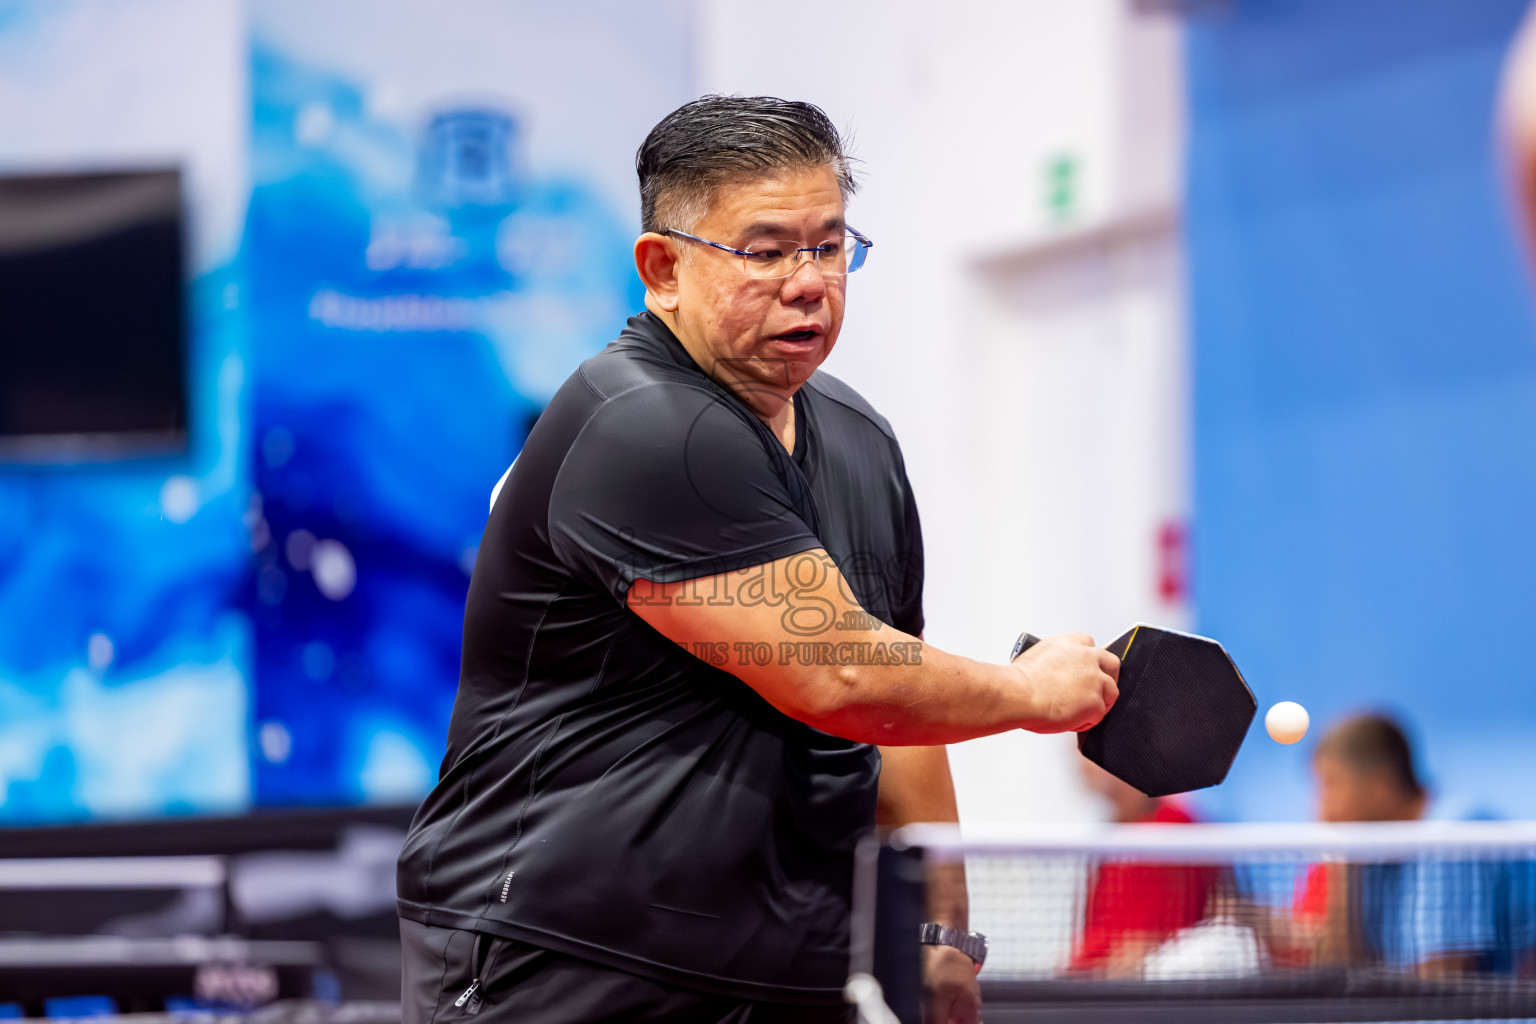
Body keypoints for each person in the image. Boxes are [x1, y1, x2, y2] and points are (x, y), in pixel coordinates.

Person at [394, 95, 1121, 1024]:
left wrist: (944, 936)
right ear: (662, 270)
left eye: (829, 245)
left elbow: (896, 703)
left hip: (787, 970)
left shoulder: (860, 441)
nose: (810, 281)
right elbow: (843, 674)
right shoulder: (642, 425)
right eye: (766, 251)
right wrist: (1029, 693)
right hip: (564, 959)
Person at [1070, 758, 1218, 976]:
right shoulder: (1111, 834)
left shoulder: (1172, 829)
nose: (1081, 765)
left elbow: (1146, 942)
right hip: (1095, 980)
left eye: (1087, 752)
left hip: (1150, 986)